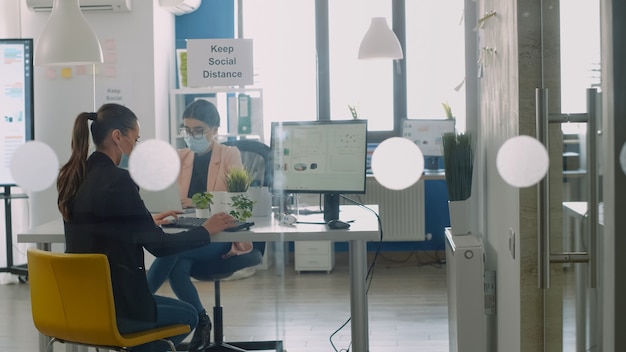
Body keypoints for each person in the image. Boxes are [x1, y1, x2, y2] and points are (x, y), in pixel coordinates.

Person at [57, 103, 238, 352]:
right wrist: (205, 230)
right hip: (116, 306)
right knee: (189, 316)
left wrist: (143, 221)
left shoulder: (73, 174)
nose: (136, 146)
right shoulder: (119, 179)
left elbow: (98, 224)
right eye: (136, 139)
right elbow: (160, 246)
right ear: (117, 137)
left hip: (79, 303)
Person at [146, 99, 253, 351]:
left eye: (198, 130)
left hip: (219, 235)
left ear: (215, 129)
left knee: (172, 251)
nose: (191, 136)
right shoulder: (179, 157)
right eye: (187, 130)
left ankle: (138, 301)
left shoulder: (229, 155)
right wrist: (193, 201)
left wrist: (192, 200)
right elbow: (170, 199)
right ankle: (202, 320)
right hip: (185, 229)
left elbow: (232, 200)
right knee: (177, 264)